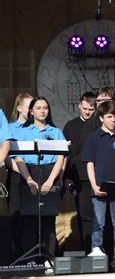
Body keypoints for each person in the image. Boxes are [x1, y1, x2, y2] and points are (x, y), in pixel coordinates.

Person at [14, 97, 65, 258]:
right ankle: (30, 259)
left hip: (50, 174)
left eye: (45, 107)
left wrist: (51, 180)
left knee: (49, 221)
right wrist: (28, 179)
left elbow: (61, 158)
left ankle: (48, 258)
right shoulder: (24, 132)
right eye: (38, 108)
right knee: (29, 221)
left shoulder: (56, 132)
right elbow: (19, 158)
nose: (42, 111)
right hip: (30, 173)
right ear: (31, 111)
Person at [81, 101, 115, 257]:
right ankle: (96, 250)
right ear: (102, 118)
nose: (113, 120)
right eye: (109, 116)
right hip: (100, 186)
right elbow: (89, 164)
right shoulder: (93, 138)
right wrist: (94, 186)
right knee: (99, 222)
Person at [62, 91, 96, 253]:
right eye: (85, 108)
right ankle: (88, 250)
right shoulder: (70, 126)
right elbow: (65, 156)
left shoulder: (99, 124)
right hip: (79, 178)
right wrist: (67, 178)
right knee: (85, 216)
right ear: (79, 106)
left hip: (98, 176)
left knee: (102, 217)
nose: (87, 112)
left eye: (91, 109)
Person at [6, 93, 33, 257]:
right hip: (17, 176)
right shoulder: (10, 128)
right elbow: (7, 156)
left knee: (32, 217)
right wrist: (24, 174)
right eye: (29, 106)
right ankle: (18, 255)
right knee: (16, 215)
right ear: (19, 108)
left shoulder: (34, 128)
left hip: (34, 174)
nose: (31, 110)